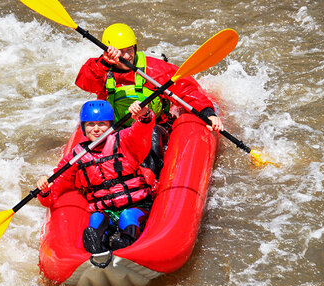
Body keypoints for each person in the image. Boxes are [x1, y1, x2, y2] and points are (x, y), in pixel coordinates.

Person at [75, 23, 224, 177]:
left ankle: (149, 179)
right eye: (121, 52)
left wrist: (208, 113)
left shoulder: (154, 69)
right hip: (116, 127)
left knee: (151, 135)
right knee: (108, 147)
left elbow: (186, 90)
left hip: (155, 125)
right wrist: (104, 63)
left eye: (129, 50)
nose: (126, 56)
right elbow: (84, 83)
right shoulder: (100, 68)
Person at [36, 100, 155, 254]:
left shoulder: (124, 139)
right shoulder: (76, 157)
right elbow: (54, 192)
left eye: (102, 124)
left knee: (127, 216)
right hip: (105, 209)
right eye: (91, 124)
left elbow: (141, 131)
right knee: (96, 220)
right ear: (84, 128)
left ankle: (125, 246)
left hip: (136, 204)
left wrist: (143, 114)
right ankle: (98, 249)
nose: (97, 129)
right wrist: (44, 190)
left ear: (110, 125)